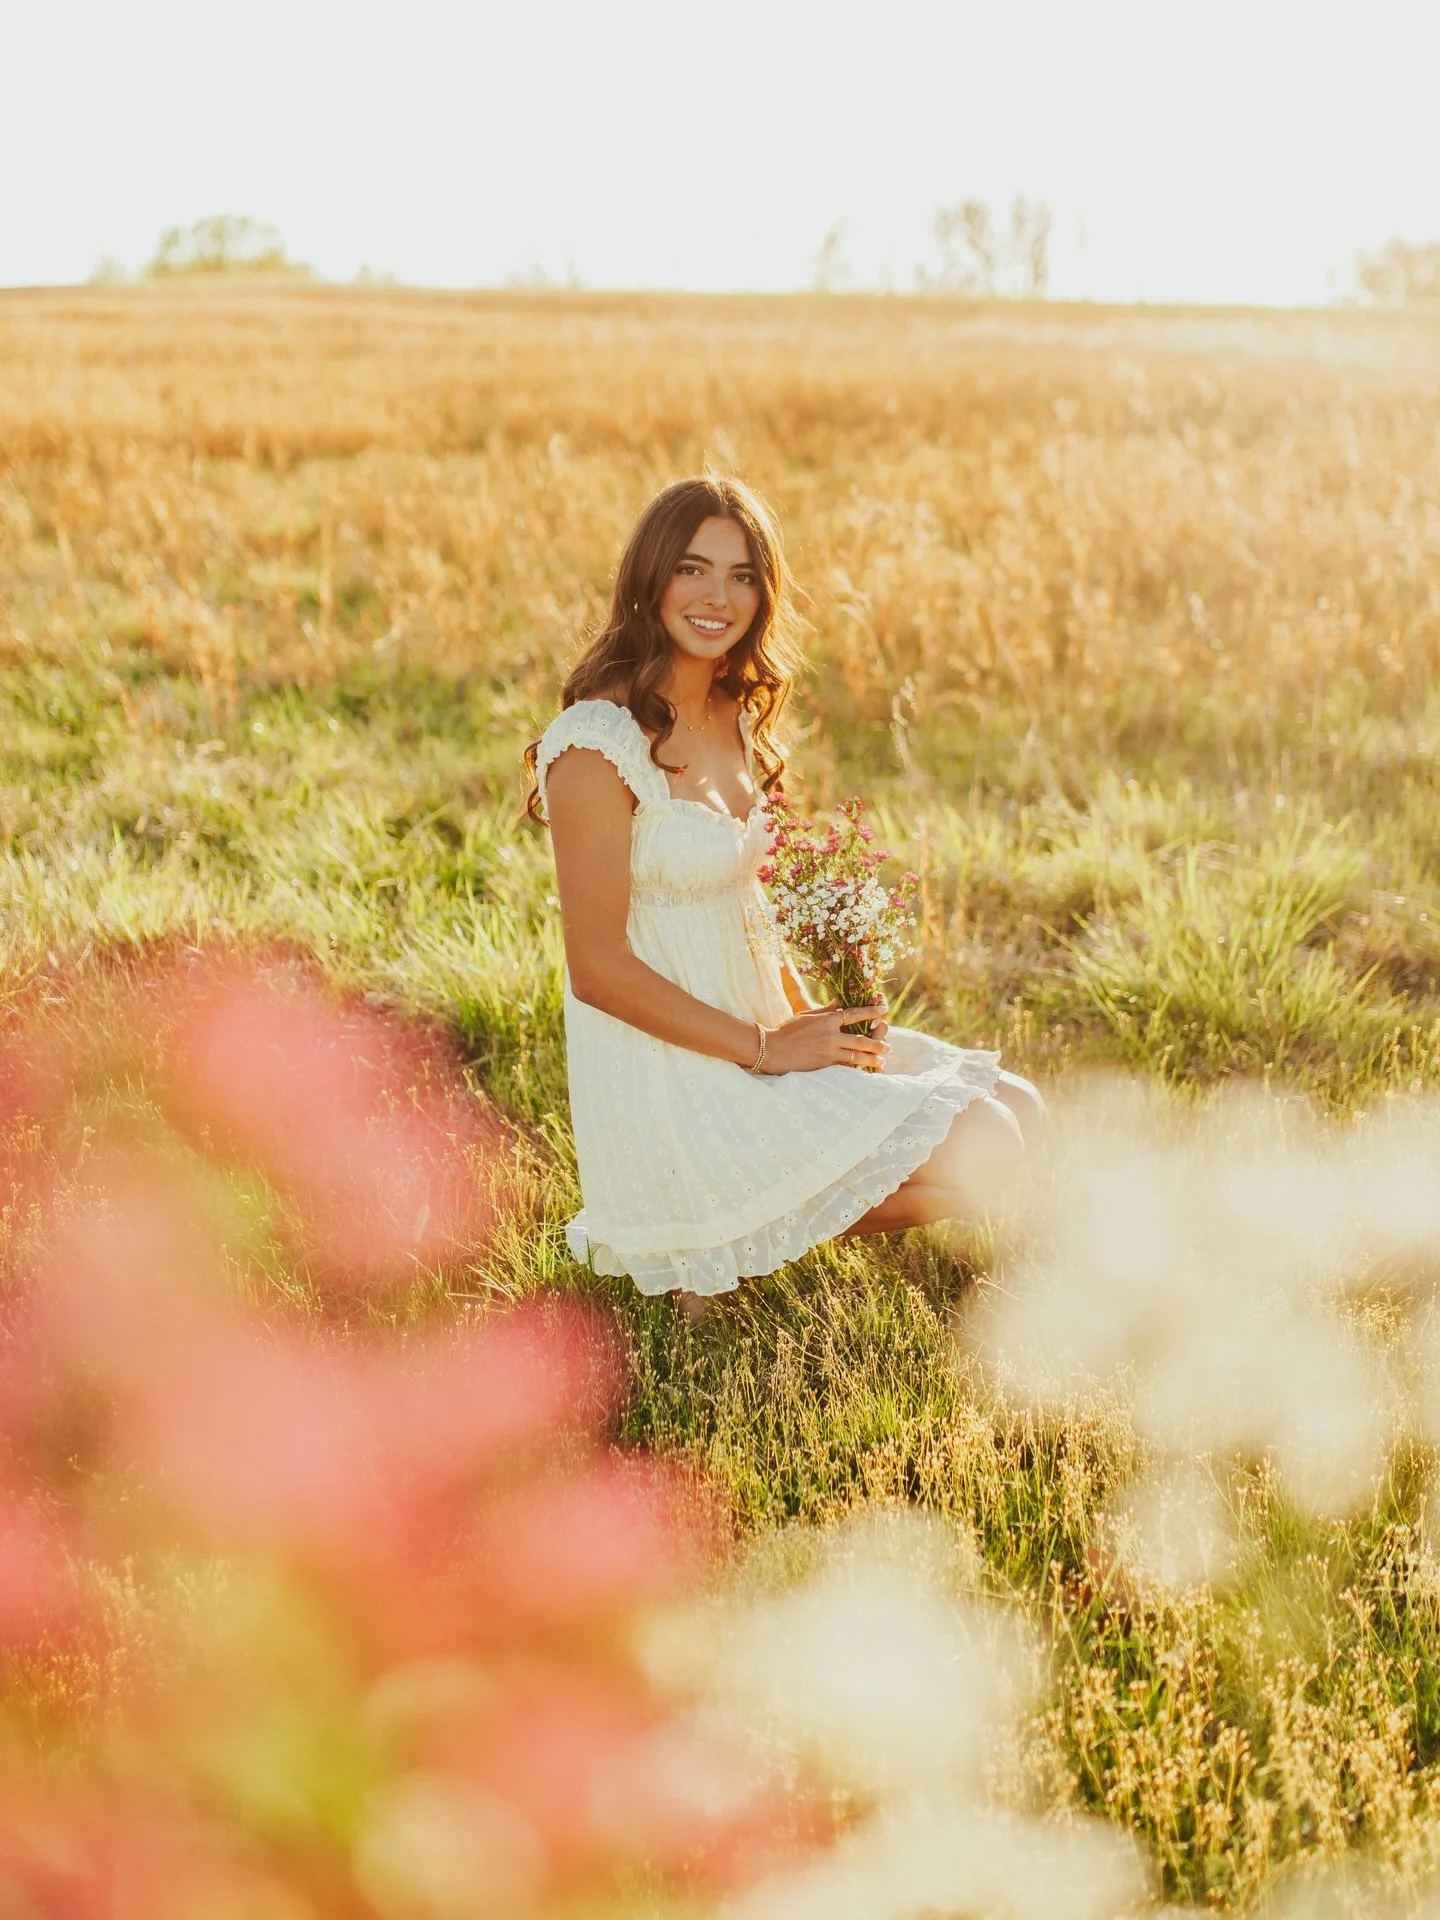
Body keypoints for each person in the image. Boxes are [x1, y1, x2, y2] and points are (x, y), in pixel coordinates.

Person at [525, 476, 1045, 1315]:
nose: (715, 597)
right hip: (679, 1071)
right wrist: (769, 1049)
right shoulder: (593, 743)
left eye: (741, 576)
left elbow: (749, 907)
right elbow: (598, 969)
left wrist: (826, 1029)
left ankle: (735, 1241)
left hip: (764, 1030)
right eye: (692, 569)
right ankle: (703, 1235)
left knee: (1022, 1109)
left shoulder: (732, 713)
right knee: (985, 1142)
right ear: (648, 578)